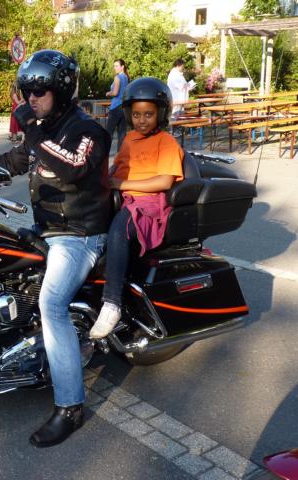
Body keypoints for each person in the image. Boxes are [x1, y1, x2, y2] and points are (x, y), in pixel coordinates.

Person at [0, 50, 111, 448]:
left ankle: (70, 407)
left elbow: (73, 168)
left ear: (60, 91)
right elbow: (12, 159)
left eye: (39, 92)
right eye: (27, 92)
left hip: (79, 235)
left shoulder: (88, 130)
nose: (31, 99)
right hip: (49, 228)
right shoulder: (43, 128)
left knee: (52, 305)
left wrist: (31, 129)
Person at [89, 77, 184, 339]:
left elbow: (164, 182)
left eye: (149, 114)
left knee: (120, 229)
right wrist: (98, 180)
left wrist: (122, 184)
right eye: (137, 114)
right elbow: (117, 167)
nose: (142, 120)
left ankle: (112, 304)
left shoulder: (166, 142)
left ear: (161, 114)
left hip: (149, 204)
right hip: (125, 197)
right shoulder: (130, 138)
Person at [105, 59, 130, 151]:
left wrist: (108, 93)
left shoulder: (118, 77)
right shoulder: (126, 77)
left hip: (116, 107)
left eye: (116, 66)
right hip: (124, 107)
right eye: (114, 66)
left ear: (122, 67)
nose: (114, 68)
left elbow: (115, 93)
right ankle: (121, 156)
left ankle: (104, 154)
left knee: (108, 132)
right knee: (122, 134)